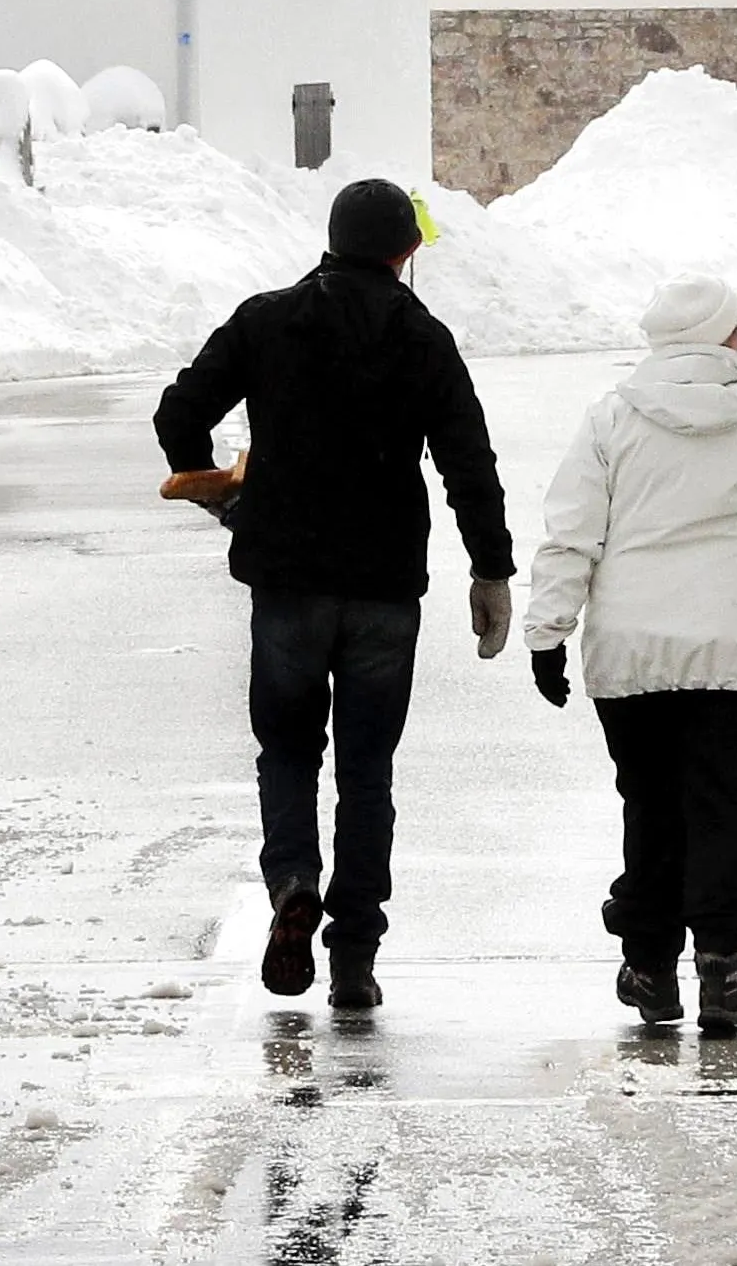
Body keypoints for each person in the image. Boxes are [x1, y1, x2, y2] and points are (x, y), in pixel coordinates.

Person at [154, 174, 511, 1012]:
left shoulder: (267, 319)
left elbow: (180, 412)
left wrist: (221, 489)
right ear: (405, 250)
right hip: (385, 589)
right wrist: (490, 569)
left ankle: (291, 881)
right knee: (367, 771)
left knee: (286, 750)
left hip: (287, 581)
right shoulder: (423, 337)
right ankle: (354, 954)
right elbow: (469, 463)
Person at [522, 273, 737, 1040]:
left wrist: (548, 633)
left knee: (653, 810)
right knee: (731, 814)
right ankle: (723, 976)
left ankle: (649, 968)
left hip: (635, 658)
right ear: (726, 338)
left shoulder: (611, 420)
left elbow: (572, 532)